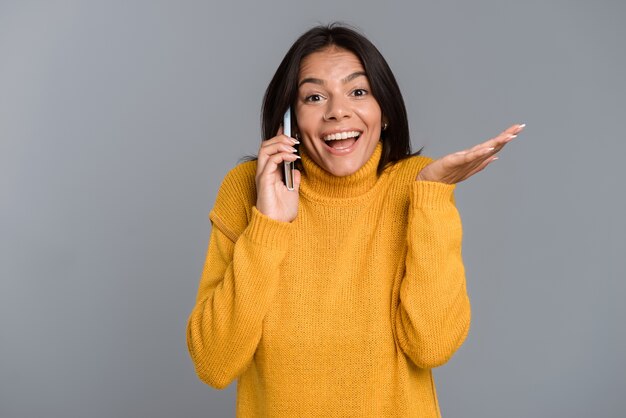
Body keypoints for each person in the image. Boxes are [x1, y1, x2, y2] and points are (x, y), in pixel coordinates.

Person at [186, 23, 524, 417]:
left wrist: (432, 197)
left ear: (384, 112)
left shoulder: (415, 184)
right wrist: (268, 226)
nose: (337, 111)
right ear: (290, 120)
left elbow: (433, 345)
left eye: (358, 91)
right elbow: (214, 363)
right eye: (314, 96)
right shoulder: (248, 189)